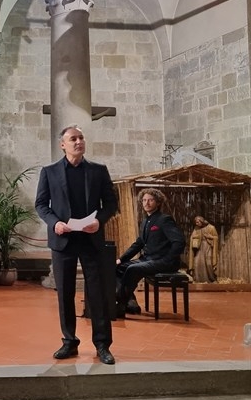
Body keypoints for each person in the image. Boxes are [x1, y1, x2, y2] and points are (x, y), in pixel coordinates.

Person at [35, 124, 118, 365]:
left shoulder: (98, 171)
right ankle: (69, 341)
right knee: (65, 293)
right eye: (73, 139)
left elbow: (110, 204)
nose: (78, 142)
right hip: (64, 240)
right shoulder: (49, 172)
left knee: (98, 294)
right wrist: (55, 223)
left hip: (91, 239)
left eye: (81, 138)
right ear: (63, 144)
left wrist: (99, 221)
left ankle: (102, 344)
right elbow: (41, 204)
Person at [116, 188, 185, 316]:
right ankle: (130, 302)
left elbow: (179, 242)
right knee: (118, 267)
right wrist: (121, 259)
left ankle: (119, 307)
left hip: (163, 261)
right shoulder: (145, 221)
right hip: (148, 259)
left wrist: (167, 259)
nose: (146, 203)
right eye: (144, 200)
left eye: (150, 200)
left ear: (158, 202)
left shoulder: (164, 220)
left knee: (133, 269)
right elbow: (138, 244)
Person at [188, 216, 219, 283]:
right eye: (196, 222)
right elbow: (192, 236)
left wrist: (210, 237)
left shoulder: (211, 227)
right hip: (199, 247)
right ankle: (198, 279)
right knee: (196, 262)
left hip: (208, 247)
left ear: (201, 221)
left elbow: (216, 237)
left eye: (197, 222)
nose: (196, 224)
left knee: (209, 263)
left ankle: (212, 279)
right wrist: (195, 237)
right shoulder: (196, 228)